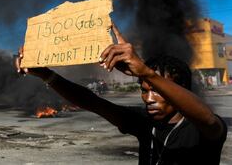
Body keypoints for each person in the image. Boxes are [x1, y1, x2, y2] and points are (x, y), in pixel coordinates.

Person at [15, 24, 227, 165]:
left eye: (158, 91)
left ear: (180, 90)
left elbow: (207, 118)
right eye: (144, 91)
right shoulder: (145, 123)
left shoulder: (202, 129)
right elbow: (92, 102)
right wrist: (45, 74)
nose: (149, 99)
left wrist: (144, 71)